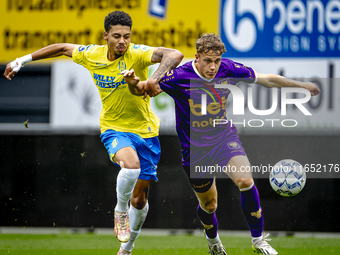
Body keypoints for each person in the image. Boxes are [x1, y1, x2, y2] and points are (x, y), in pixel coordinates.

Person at [122, 33, 320, 255]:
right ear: (196, 58)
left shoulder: (228, 68)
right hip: (195, 149)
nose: (213, 66)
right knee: (210, 205)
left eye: (216, 61)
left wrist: (300, 85)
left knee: (245, 180)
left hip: (224, 138)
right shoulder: (178, 76)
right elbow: (143, 89)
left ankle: (258, 240)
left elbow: (267, 79)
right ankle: (213, 240)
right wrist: (133, 83)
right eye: (208, 61)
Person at [3, 11, 183, 255]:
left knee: (140, 200)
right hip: (114, 128)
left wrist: (155, 79)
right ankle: (120, 211)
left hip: (147, 131)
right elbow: (62, 48)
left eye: (127, 36)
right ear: (105, 36)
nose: (122, 41)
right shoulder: (92, 55)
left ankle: (126, 249)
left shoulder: (138, 53)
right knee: (130, 167)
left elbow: (175, 54)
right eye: (117, 36)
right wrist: (22, 60)